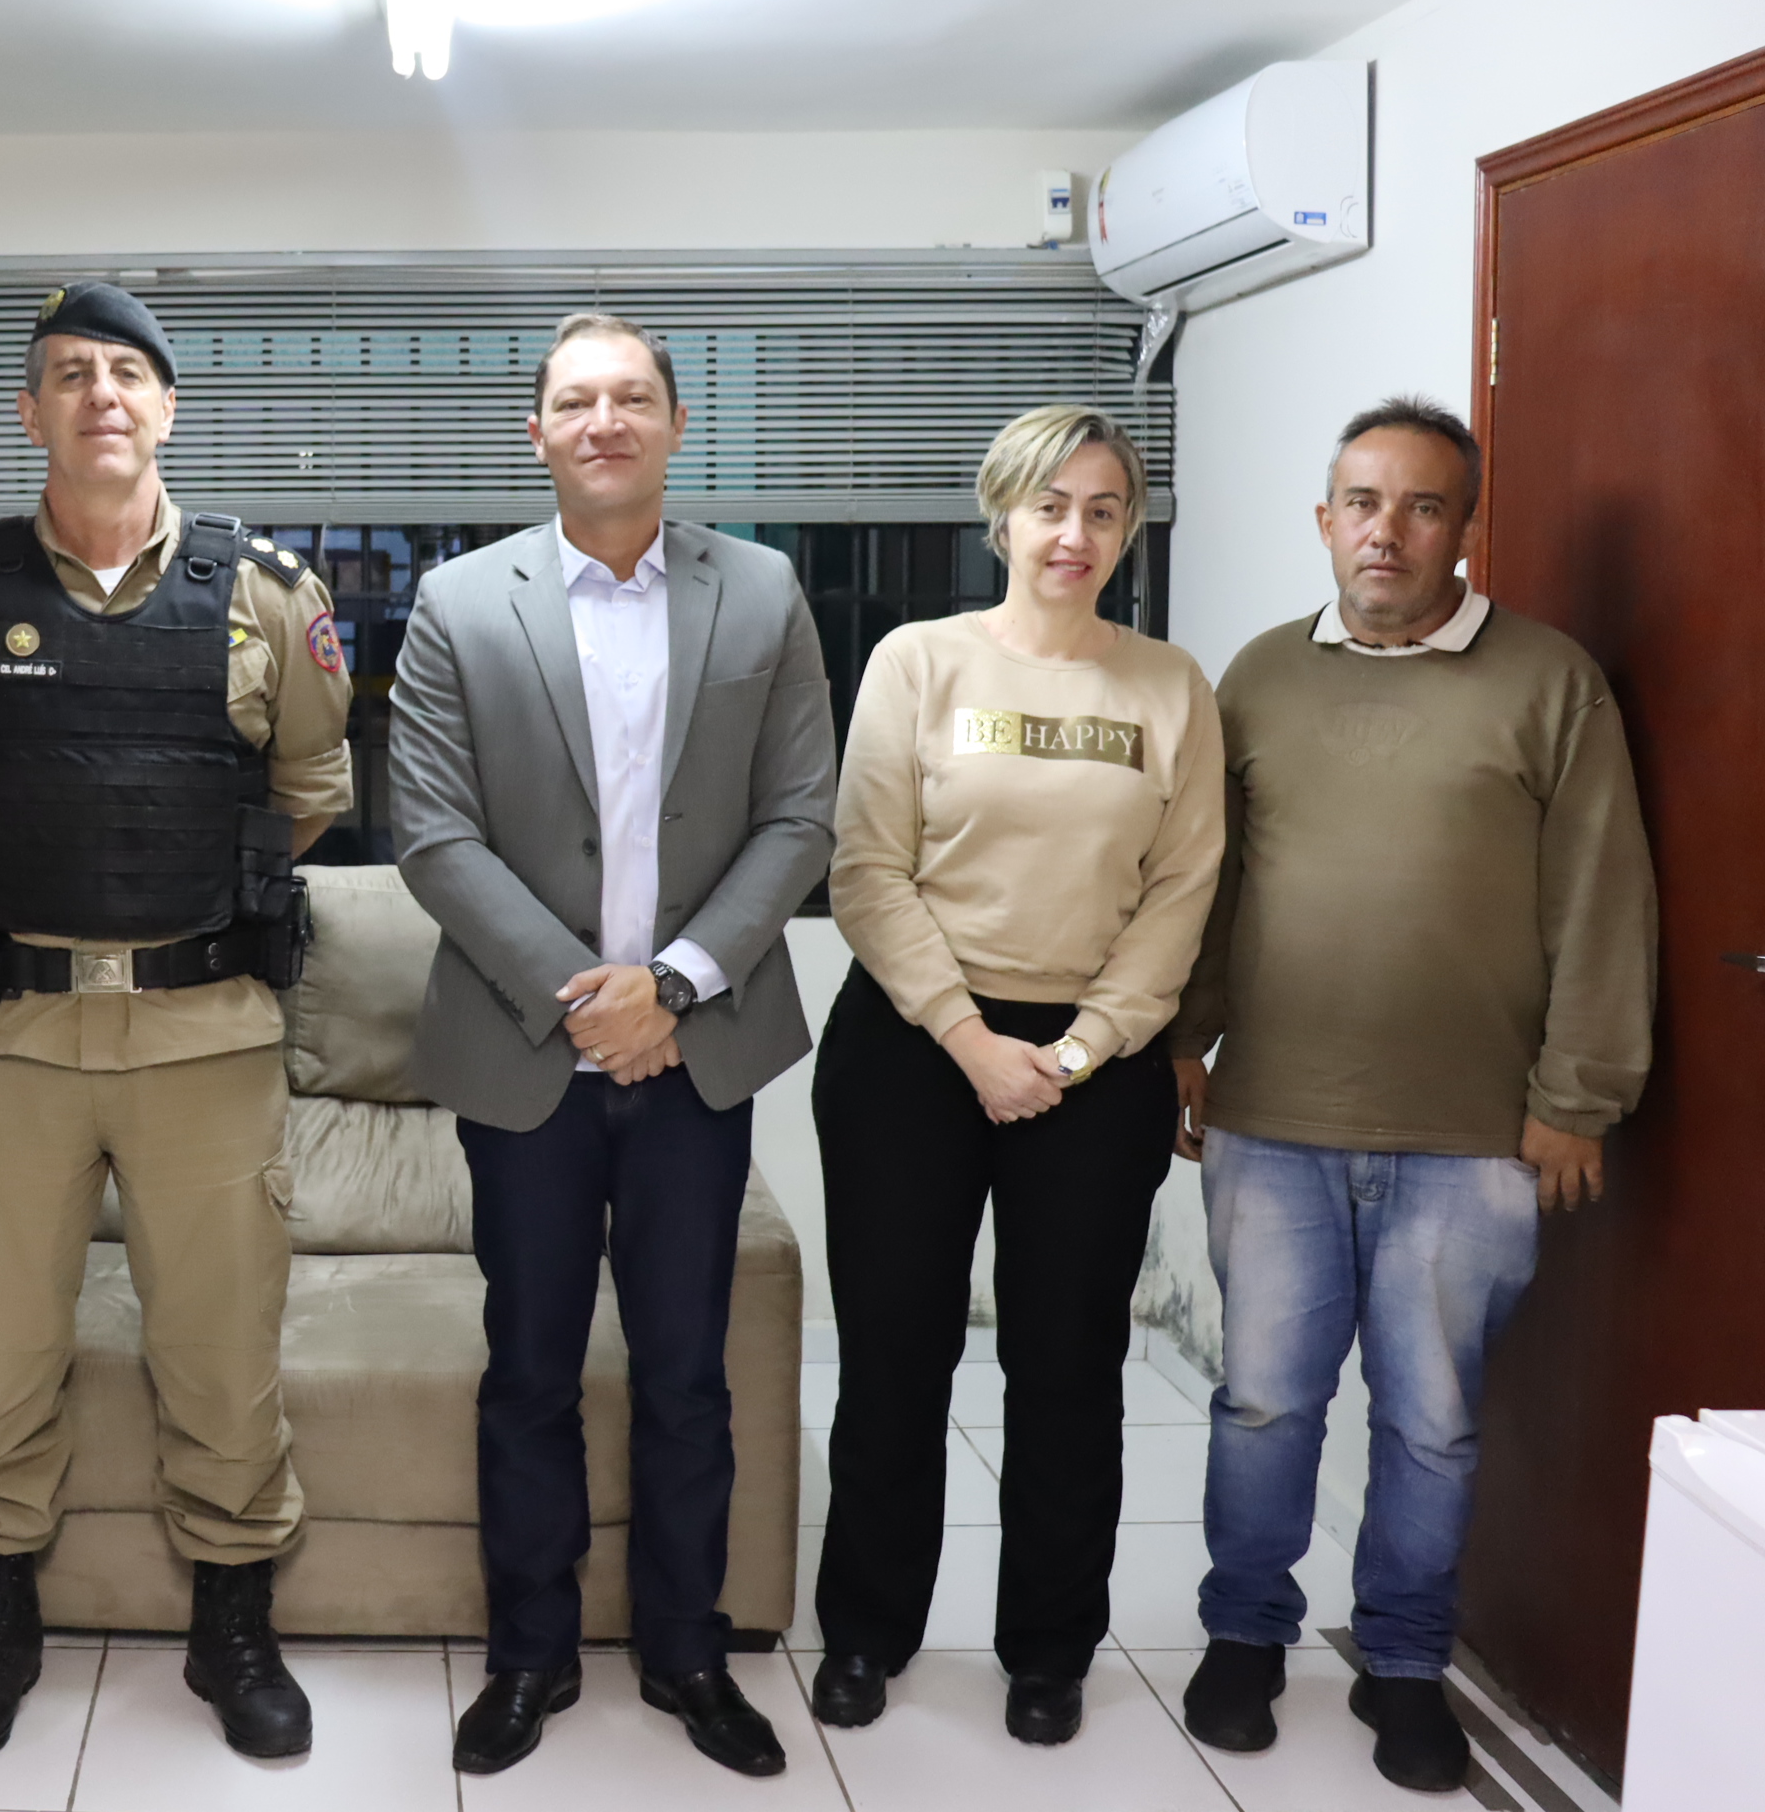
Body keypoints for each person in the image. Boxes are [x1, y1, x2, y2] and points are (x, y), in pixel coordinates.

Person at [0, 281, 351, 1762]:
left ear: (168, 407)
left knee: (219, 1348)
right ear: (32, 413)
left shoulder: (270, 595)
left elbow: (308, 795)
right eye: (70, 375)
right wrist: (52, 887)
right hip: (11, 1033)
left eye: (128, 373)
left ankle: (232, 1625)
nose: (102, 396)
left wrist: (168, 891)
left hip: (205, 1033)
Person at [1168, 397, 1654, 1793]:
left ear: (1463, 529)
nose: (1388, 531)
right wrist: (1186, 1042)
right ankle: (1246, 1636)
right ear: (1325, 521)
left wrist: (1580, 1096)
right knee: (1263, 1404)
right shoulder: (1261, 676)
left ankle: (1402, 1663)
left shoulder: (1551, 681)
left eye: (1423, 506)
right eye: (1364, 502)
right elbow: (1214, 884)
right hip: (1273, 1119)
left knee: (1430, 1420)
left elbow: (1604, 898)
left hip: (1477, 1135)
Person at [388, 312, 836, 1780]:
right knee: (528, 1367)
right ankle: (528, 1657)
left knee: (687, 1373)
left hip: (696, 1061)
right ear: (537, 432)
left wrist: (676, 988)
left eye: (632, 397)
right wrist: (591, 999)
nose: (604, 422)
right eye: (576, 401)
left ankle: (687, 1652)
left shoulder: (762, 591)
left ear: (675, 422)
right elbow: (435, 836)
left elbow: (801, 819)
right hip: (528, 1059)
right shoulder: (460, 603)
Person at [811, 404, 1223, 1748]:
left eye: (1103, 510)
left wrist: (1085, 1049)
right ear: (1002, 516)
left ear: (1129, 529)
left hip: (1094, 1063)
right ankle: (866, 1631)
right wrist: (969, 1039)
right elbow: (867, 869)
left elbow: (1182, 889)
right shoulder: (919, 661)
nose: (1074, 534)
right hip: (913, 1047)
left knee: (1068, 1371)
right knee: (896, 1358)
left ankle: (1048, 1652)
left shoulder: (1170, 686)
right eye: (1050, 505)